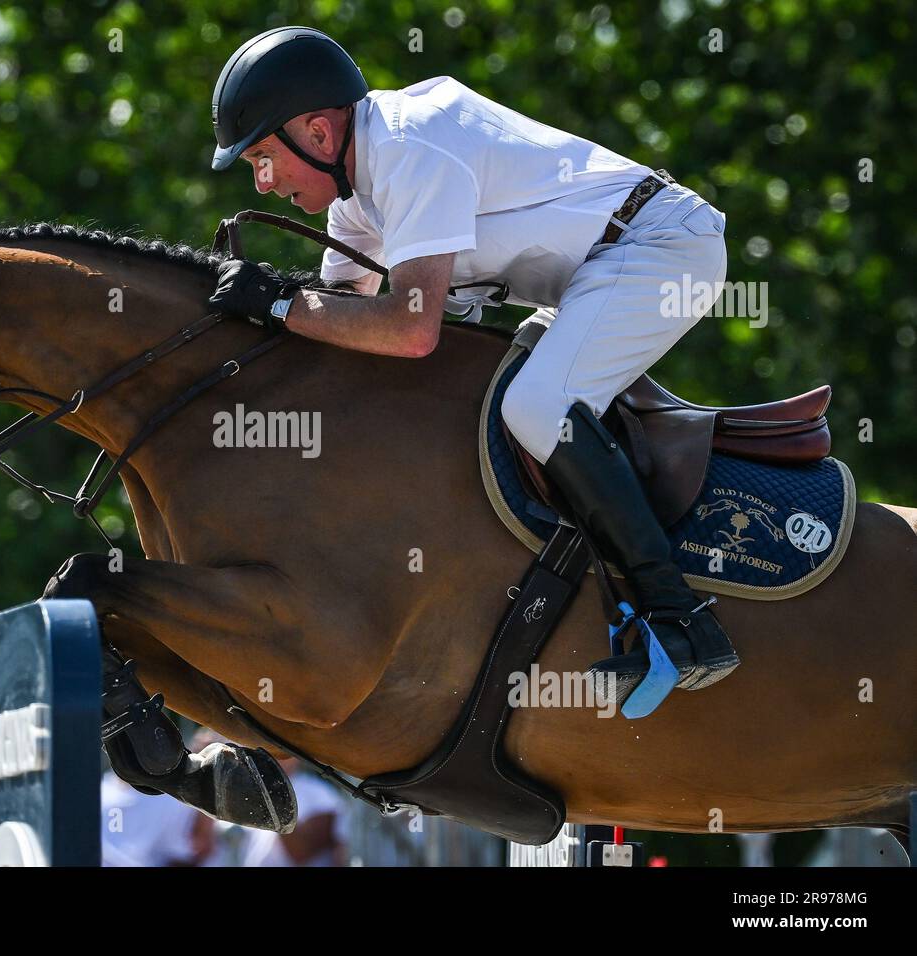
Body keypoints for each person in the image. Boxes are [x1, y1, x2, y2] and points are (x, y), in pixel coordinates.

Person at [207, 26, 739, 705]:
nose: (263, 181)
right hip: (598, 273)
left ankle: (681, 619)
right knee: (495, 400)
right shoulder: (357, 192)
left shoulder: (405, 148)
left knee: (535, 408)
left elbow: (408, 328)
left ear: (315, 132)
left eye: (261, 157)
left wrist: (279, 305)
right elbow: (339, 320)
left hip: (662, 250)